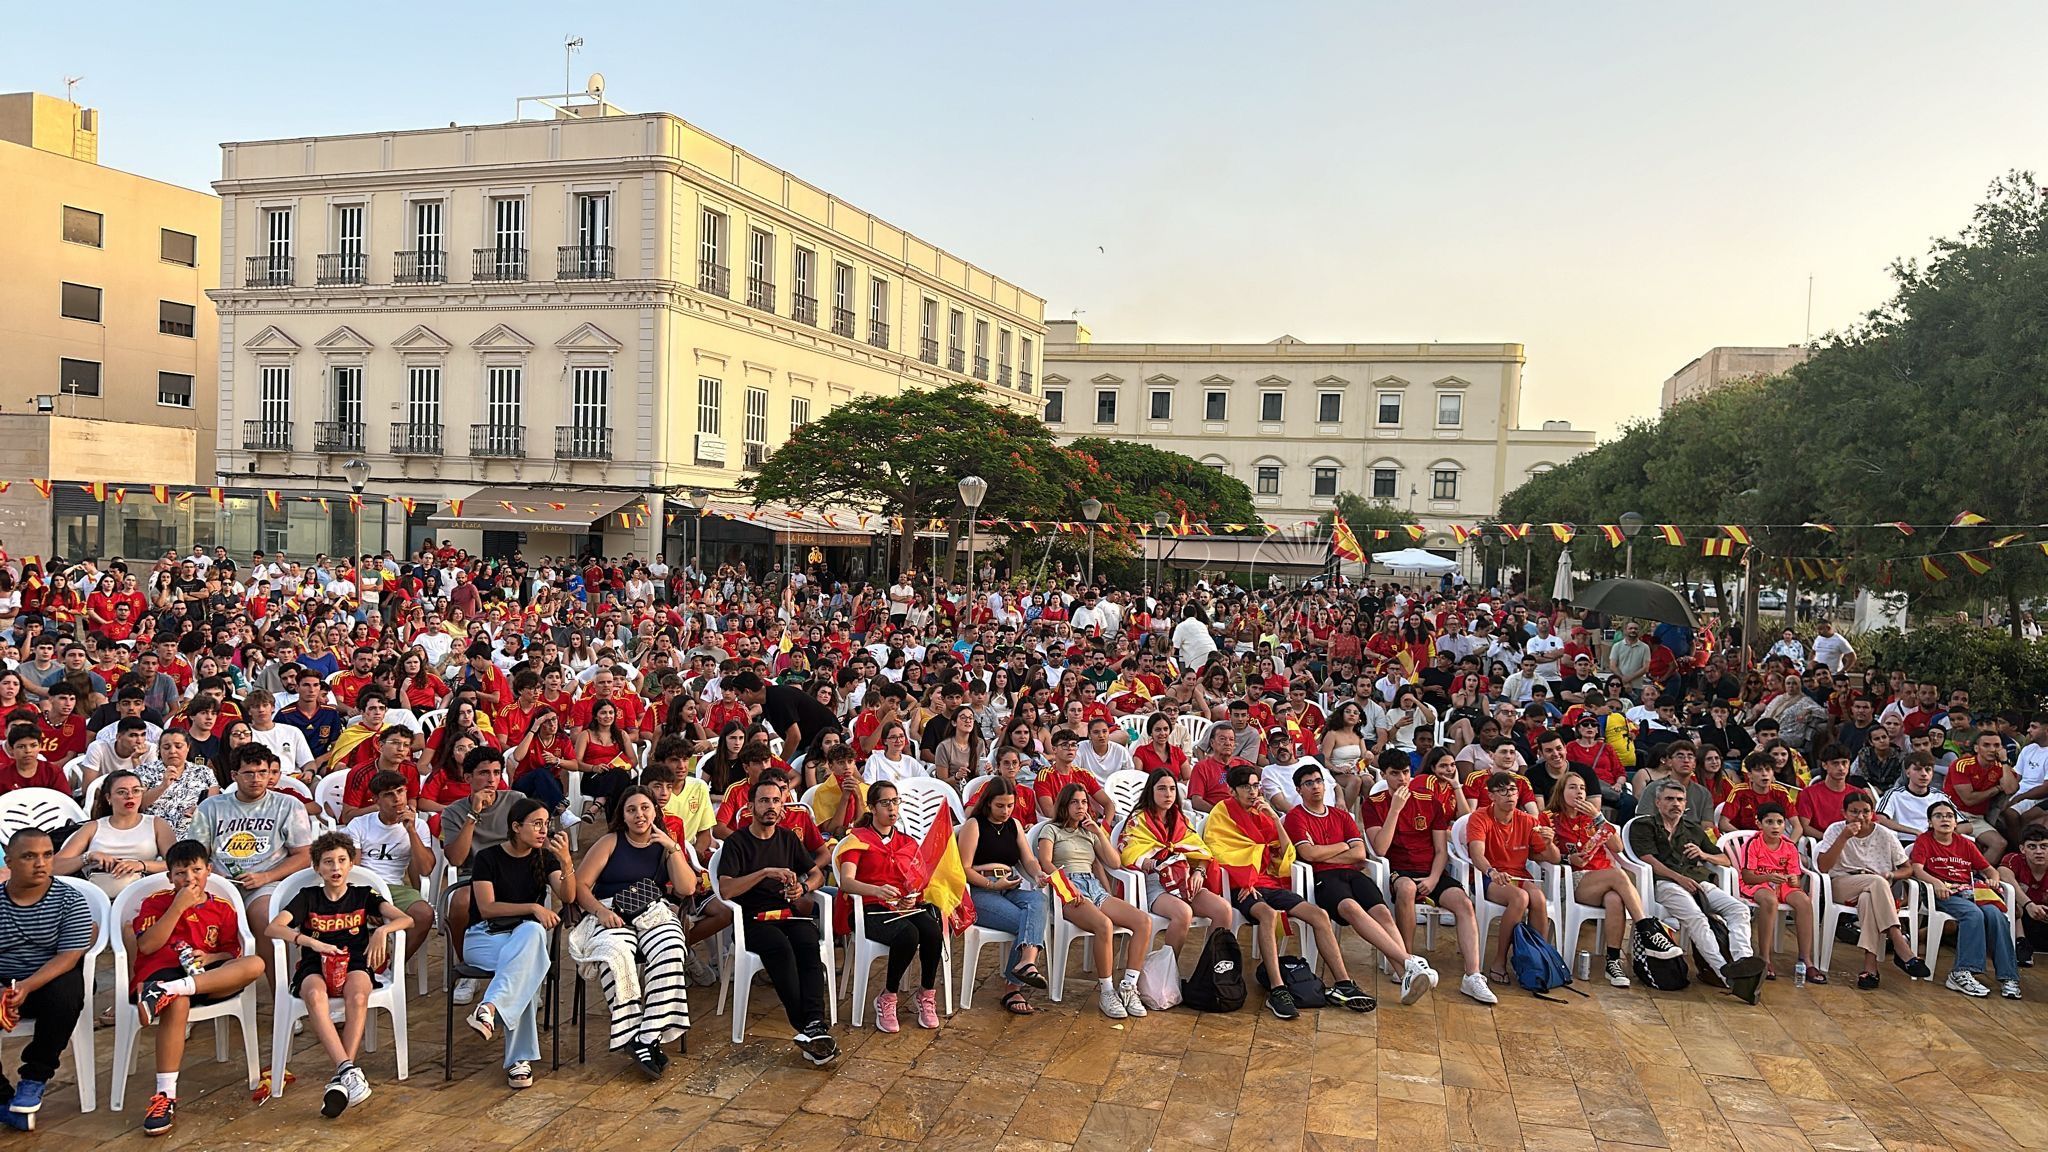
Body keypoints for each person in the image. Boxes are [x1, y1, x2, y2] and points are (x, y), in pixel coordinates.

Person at [126, 838, 267, 1136]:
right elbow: (147, 946)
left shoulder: (222, 908)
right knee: (177, 1002)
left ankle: (173, 989)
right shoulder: (156, 902)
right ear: (169, 877)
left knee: (255, 964)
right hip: (162, 970)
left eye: (196, 870)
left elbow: (231, 952)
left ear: (209, 871)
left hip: (205, 976)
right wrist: (177, 907)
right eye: (180, 873)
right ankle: (165, 1096)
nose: (189, 878)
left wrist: (212, 956)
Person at [267, 832, 413, 1117]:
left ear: (351, 864)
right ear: (316, 868)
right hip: (315, 963)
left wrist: (382, 930)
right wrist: (310, 942)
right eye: (328, 862)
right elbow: (273, 927)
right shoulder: (308, 897)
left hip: (355, 961)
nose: (335, 867)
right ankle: (348, 1071)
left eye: (342, 860)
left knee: (358, 996)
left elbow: (406, 919)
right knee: (314, 994)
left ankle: (342, 1074)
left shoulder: (363, 895)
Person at [1204, 764, 1367, 1017]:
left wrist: (1273, 818)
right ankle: (1278, 989)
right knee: (1268, 915)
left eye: (1256, 786)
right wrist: (1248, 874)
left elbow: (1284, 851)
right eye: (1245, 787)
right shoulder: (1221, 812)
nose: (1253, 792)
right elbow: (1219, 851)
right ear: (1232, 790)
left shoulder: (1262, 813)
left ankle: (1344, 983)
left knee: (1319, 915)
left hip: (1270, 883)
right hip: (1241, 885)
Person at [1284, 763, 1439, 1003]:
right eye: (1309, 783)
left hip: (1351, 874)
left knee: (1382, 913)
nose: (1315, 787)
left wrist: (1327, 852)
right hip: (1322, 878)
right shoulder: (1296, 817)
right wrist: (1341, 846)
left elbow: (1359, 853)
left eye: (1318, 781)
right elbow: (1309, 854)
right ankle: (1409, 961)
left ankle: (1405, 976)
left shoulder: (1341, 815)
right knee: (1350, 907)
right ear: (1299, 789)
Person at [570, 786, 697, 1077]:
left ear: (655, 811)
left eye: (644, 808)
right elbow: (580, 885)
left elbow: (687, 888)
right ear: (623, 816)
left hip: (653, 912)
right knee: (616, 955)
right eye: (631, 810)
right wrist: (600, 912)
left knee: (671, 948)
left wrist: (672, 848)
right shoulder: (610, 841)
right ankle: (634, 1035)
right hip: (611, 912)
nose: (639, 815)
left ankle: (645, 1036)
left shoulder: (665, 845)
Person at [714, 774, 839, 1066]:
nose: (771, 806)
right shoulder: (737, 842)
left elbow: (817, 874)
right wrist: (764, 872)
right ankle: (807, 1026)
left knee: (808, 941)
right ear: (750, 807)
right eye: (764, 801)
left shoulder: (787, 838)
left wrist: (803, 888)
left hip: (787, 913)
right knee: (780, 948)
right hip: (752, 920)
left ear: (783, 806)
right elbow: (727, 889)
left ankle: (814, 1025)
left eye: (776, 801)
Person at [1362, 748, 1495, 1004]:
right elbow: (1380, 849)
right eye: (1394, 774)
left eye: (1405, 773)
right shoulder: (1373, 804)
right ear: (1384, 775)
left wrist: (1434, 878)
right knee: (1407, 889)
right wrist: (1395, 809)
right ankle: (1407, 962)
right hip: (1400, 870)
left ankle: (1473, 975)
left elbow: (1441, 851)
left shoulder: (1430, 801)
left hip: (1432, 869)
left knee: (1464, 903)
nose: (1402, 779)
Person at [464, 798, 578, 1089]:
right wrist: (533, 907)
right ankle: (520, 1059)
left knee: (531, 938)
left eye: (546, 824)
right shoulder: (488, 858)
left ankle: (489, 1008)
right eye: (537, 824)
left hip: (523, 939)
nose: (544, 830)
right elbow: (486, 908)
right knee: (527, 964)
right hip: (484, 938)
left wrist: (566, 862)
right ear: (516, 827)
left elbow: (568, 897)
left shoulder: (545, 859)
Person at [185, 744, 316, 975]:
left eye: (262, 772)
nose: (256, 779)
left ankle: (280, 992)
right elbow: (196, 854)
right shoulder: (211, 807)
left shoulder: (287, 805)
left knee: (265, 918)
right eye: (248, 773)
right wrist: (215, 875)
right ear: (234, 775)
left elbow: (305, 855)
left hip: (268, 883)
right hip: (219, 883)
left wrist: (265, 877)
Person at [1031, 782, 1157, 1019]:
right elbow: (1045, 862)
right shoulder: (1051, 830)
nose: (1080, 807)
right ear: (1064, 805)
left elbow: (1115, 862)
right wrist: (1066, 885)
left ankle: (1129, 987)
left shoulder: (1089, 831)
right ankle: (1106, 991)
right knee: (1104, 925)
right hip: (1068, 888)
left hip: (1093, 886)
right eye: (1075, 802)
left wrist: (1099, 832)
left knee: (1143, 921)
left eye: (1084, 802)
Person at [1543, 771, 1678, 986]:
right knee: (1618, 875)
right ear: (1561, 791)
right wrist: (1568, 858)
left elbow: (1618, 847)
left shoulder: (1592, 817)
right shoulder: (1550, 818)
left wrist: (1598, 817)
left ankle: (1613, 962)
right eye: (1573, 787)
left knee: (1614, 898)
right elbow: (1540, 854)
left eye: (1582, 788)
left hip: (1605, 880)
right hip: (1572, 880)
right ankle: (1647, 929)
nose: (1579, 792)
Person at [0, 827, 95, 1132]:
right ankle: (3, 1100)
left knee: (68, 987)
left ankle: (35, 1077)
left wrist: (25, 987)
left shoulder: (70, 900)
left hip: (48, 984)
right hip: (3, 982)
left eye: (47, 855)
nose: (40, 863)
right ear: (9, 861)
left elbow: (68, 957)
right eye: (29, 856)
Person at [837, 780, 949, 1031]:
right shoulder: (857, 839)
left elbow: (917, 880)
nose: (892, 808)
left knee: (932, 931)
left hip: (900, 906)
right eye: (885, 802)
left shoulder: (906, 842)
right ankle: (888, 996)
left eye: (895, 801)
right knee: (908, 935)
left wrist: (912, 896)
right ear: (872, 807)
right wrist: (876, 890)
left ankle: (926, 993)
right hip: (869, 907)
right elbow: (846, 882)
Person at [1626, 779, 1753, 989]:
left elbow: (1725, 860)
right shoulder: (1644, 825)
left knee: (1739, 909)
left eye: (1680, 800)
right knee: (1697, 918)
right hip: (1666, 883)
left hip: (1698, 881)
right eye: (1669, 799)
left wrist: (1704, 854)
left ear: (1685, 804)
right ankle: (1723, 971)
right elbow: (1648, 860)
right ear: (1658, 802)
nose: (1675, 804)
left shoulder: (1693, 829)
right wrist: (1679, 878)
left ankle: (1743, 963)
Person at [1815, 792, 1932, 990]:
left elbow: (1907, 868)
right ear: (1844, 813)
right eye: (1854, 812)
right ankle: (1899, 941)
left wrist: (1892, 874)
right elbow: (1824, 867)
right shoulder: (1835, 830)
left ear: (1873, 813)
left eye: (1866, 812)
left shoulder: (1884, 834)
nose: (1860, 817)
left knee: (1868, 899)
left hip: (1876, 889)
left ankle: (1870, 969)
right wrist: (1844, 837)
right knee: (1876, 883)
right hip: (1843, 883)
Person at [441, 747, 529, 1006]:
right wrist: (473, 815)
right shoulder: (454, 812)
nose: (491, 780)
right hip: (474, 874)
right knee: (459, 902)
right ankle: (467, 968)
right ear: (467, 777)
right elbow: (456, 859)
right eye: (483, 773)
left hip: (514, 871)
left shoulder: (516, 800)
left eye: (496, 773)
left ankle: (525, 976)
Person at [1118, 768, 1235, 962]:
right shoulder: (1138, 820)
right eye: (1162, 789)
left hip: (1184, 880)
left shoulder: (1181, 819)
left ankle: (1208, 972)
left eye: (1172, 789)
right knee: (1183, 913)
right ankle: (1168, 973)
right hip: (1154, 883)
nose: (1168, 794)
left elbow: (1201, 850)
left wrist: (1199, 871)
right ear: (1151, 791)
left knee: (1223, 910)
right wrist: (1152, 861)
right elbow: (1128, 852)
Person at [1909, 799, 2020, 999]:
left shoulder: (1965, 843)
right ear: (1930, 822)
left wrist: (1993, 880)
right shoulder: (1925, 840)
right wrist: (1936, 882)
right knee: (1973, 914)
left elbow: (1990, 870)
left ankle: (2008, 977)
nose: (1944, 819)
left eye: (1949, 816)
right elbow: (1917, 869)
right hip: (1941, 892)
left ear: (1955, 822)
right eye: (1938, 816)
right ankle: (1961, 972)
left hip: (1970, 891)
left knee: (1996, 915)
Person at [957, 776, 1050, 1015]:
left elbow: (1028, 859)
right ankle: (1013, 987)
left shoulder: (1014, 825)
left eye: (1010, 805)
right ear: (988, 802)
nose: (1006, 811)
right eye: (1000, 806)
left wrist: (1037, 874)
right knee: (1026, 922)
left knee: (1039, 900)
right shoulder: (974, 825)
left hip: (1009, 887)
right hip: (980, 890)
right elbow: (964, 868)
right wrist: (991, 884)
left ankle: (1026, 962)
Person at [1466, 771, 1560, 982]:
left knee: (1538, 898)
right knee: (1520, 898)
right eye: (1502, 791)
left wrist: (1549, 842)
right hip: (1489, 876)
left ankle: (1538, 961)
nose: (1509, 795)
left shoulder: (1527, 820)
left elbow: (1553, 858)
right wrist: (1492, 872)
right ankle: (1499, 960)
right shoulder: (1480, 817)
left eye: (1513, 790)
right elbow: (1477, 854)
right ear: (1491, 796)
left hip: (1519, 875)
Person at [340, 771, 438, 963]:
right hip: (364, 887)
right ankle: (356, 963)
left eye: (400, 791)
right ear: (376, 799)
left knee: (424, 914)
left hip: (395, 888)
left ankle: (394, 967)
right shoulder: (359, 825)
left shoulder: (419, 826)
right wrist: (367, 903)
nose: (397, 799)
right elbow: (353, 870)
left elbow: (425, 869)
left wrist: (411, 831)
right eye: (388, 794)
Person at [54, 768, 174, 896]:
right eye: (122, 792)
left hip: (141, 893)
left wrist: (142, 865)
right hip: (97, 893)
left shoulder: (156, 824)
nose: (130, 796)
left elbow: (177, 864)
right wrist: (88, 857)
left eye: (136, 791)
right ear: (108, 798)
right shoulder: (93, 827)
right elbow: (54, 867)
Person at [1737, 803, 1819, 983]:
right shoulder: (1753, 843)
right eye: (1769, 822)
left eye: (1780, 822)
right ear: (1759, 824)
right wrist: (1768, 877)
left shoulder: (1789, 845)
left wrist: (1794, 880)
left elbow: (1795, 877)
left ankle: (1805, 959)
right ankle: (1764, 957)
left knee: (1804, 901)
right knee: (1770, 901)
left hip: (1782, 884)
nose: (1775, 826)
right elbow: (1747, 876)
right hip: (1758, 883)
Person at [1997, 825, 2048, 966]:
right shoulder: (2014, 859)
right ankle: (2021, 942)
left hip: (2044, 919)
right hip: (2021, 917)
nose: (2039, 851)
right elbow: (2003, 874)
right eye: (2032, 846)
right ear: (2022, 849)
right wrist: (2029, 905)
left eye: (2044, 846)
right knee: (2009, 897)